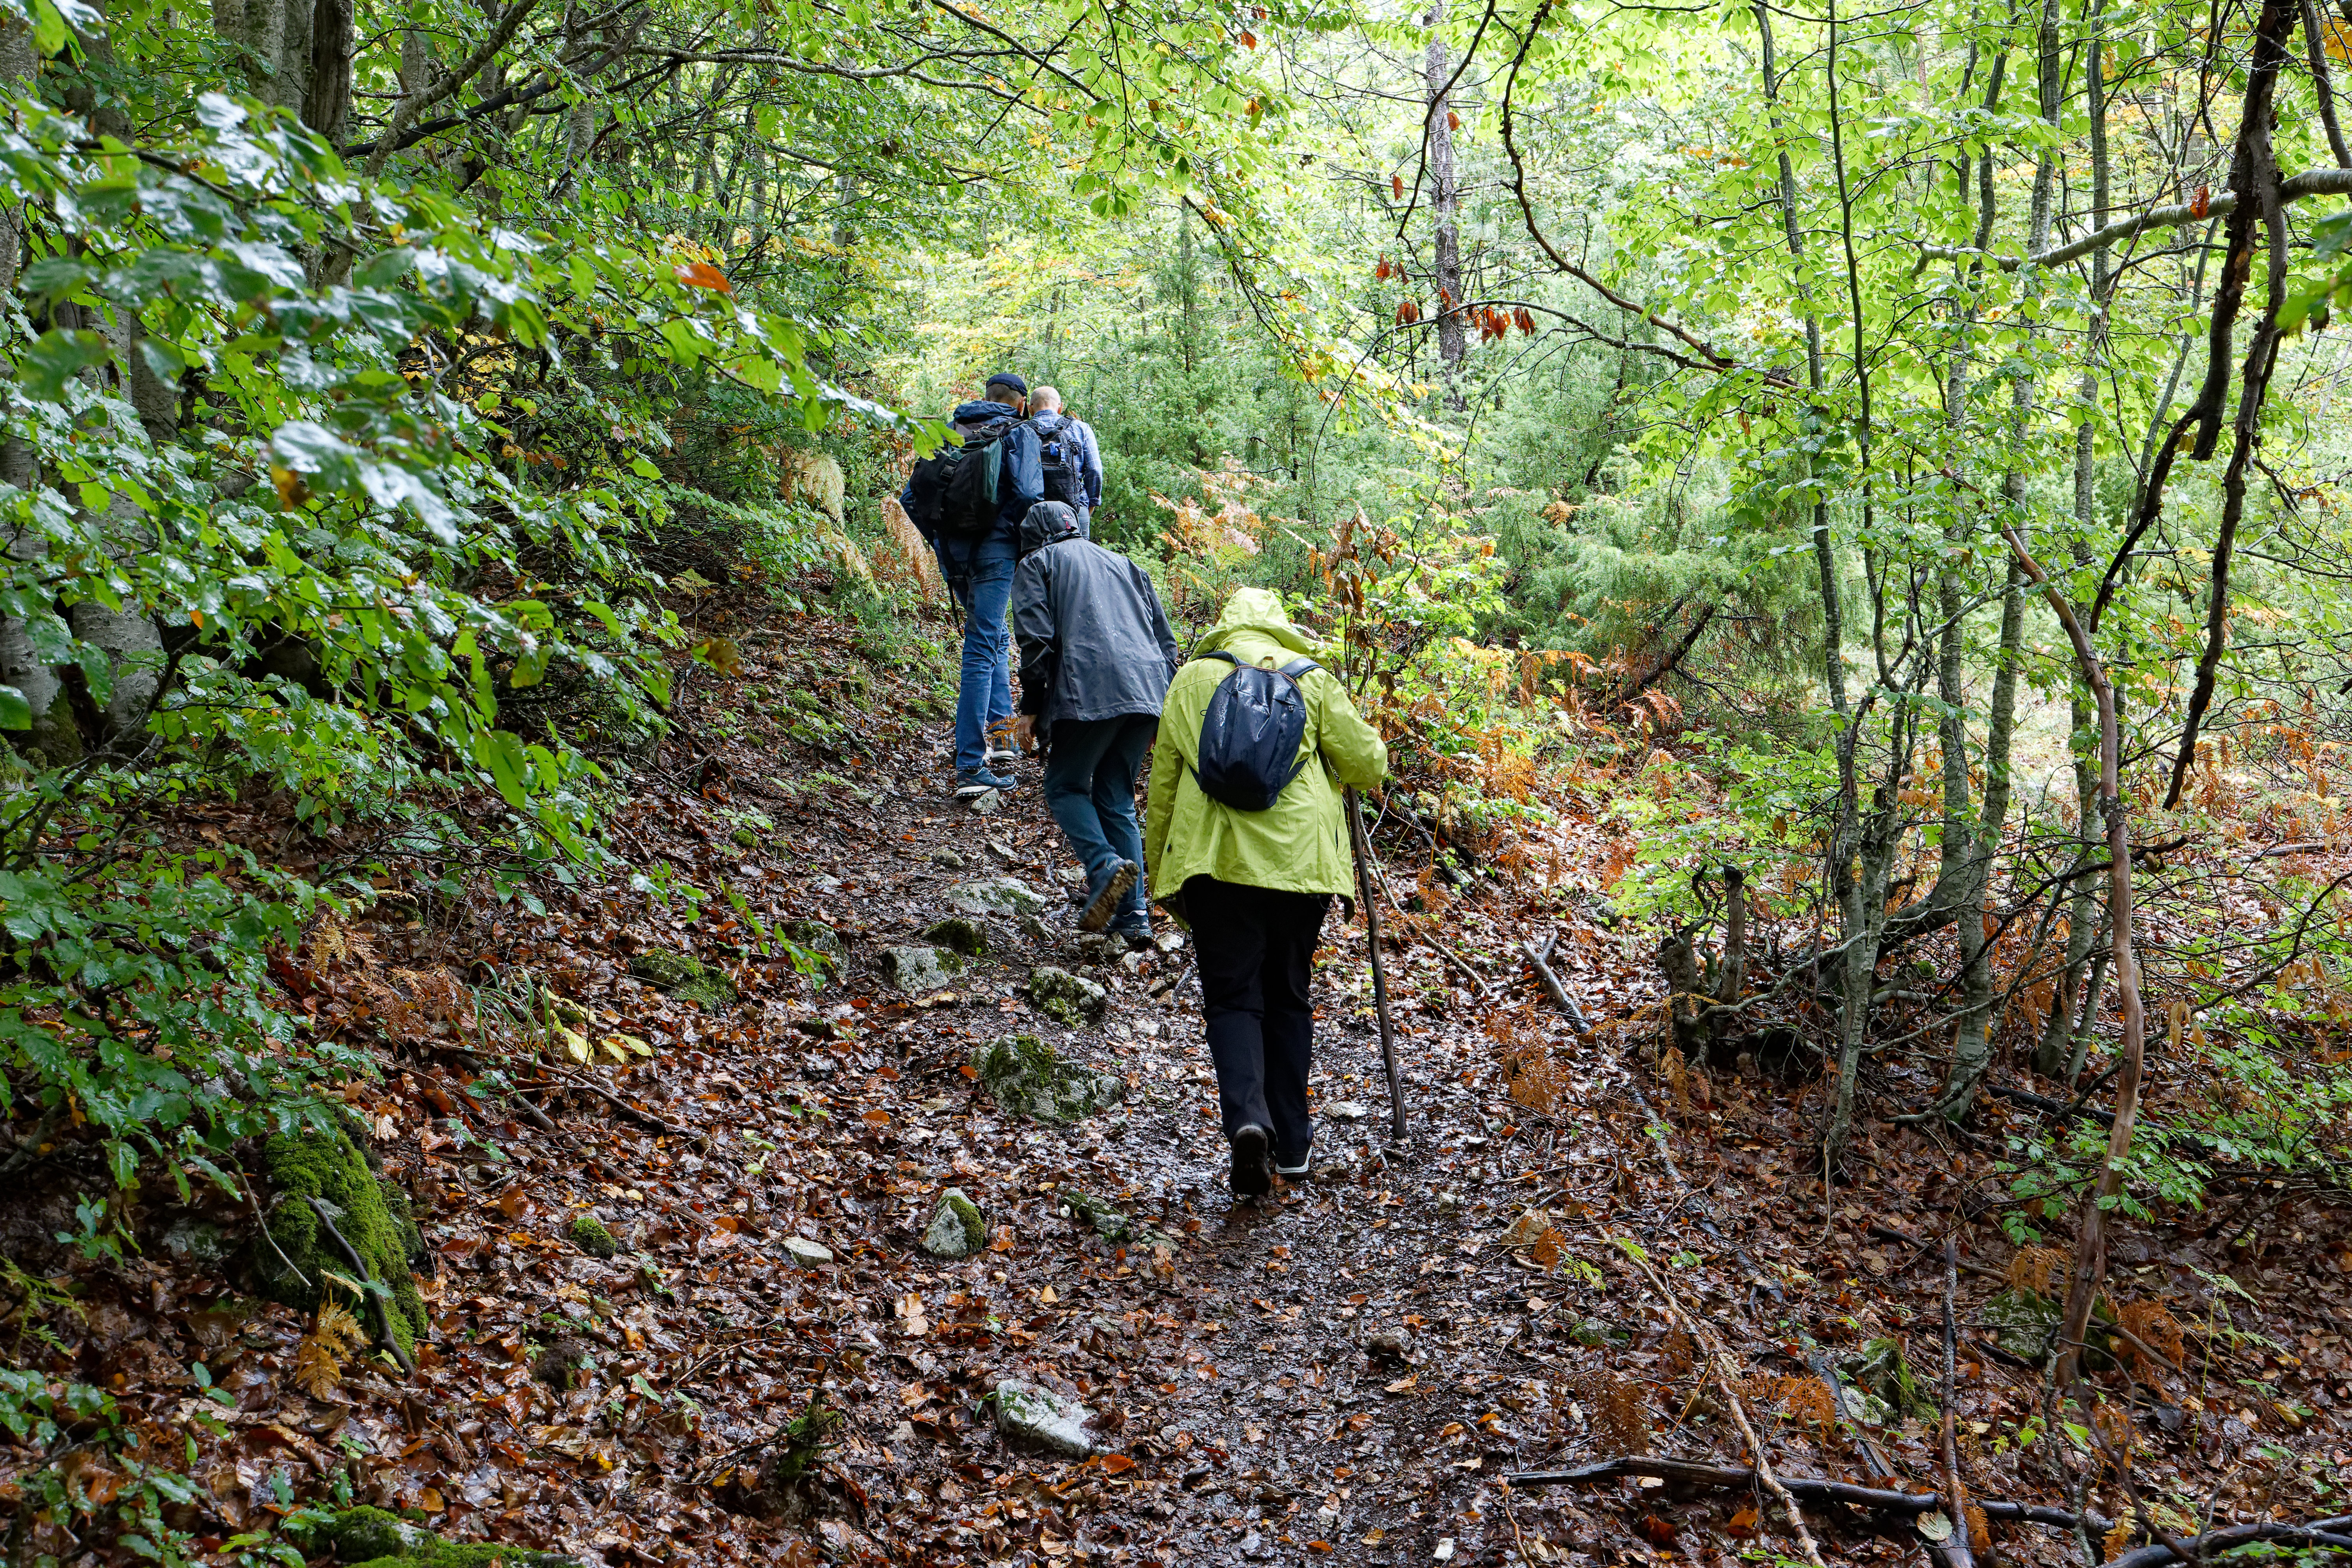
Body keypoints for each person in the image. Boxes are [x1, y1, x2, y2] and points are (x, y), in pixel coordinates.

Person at [1142, 588, 1387, 1198]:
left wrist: (1160, 877)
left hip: (1215, 868)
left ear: (1226, 626)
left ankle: (1249, 1122)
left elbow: (1164, 788)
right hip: (1301, 871)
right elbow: (1368, 764)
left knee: (1232, 1001)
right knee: (1288, 997)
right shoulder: (1313, 679)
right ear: (1281, 627)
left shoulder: (1192, 680)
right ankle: (1296, 1146)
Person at [1009, 501, 1178, 947]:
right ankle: (1135, 913)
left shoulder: (1036, 563)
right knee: (1117, 796)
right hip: (1148, 690)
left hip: (1089, 688)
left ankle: (1104, 867)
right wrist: (1163, 703)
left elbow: (1036, 638)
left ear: (1032, 537)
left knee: (1064, 786)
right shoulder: (1125, 564)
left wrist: (1031, 706)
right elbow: (1166, 641)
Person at [902, 374, 1042, 797]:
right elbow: (1030, 495)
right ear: (1020, 404)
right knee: (982, 648)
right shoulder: (1019, 431)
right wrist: (1014, 546)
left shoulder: (950, 432)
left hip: (953, 555)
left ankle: (1002, 744)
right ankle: (970, 767)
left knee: (994, 638)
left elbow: (911, 499)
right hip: (995, 556)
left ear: (986, 399)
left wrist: (941, 542)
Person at [1026, 385, 1102, 533]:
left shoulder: (1021, 430)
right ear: (1060, 407)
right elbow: (1095, 470)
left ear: (1030, 408)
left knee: (1036, 555)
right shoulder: (1081, 428)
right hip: (1075, 508)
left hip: (1034, 512)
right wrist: (1090, 504)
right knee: (1077, 555)